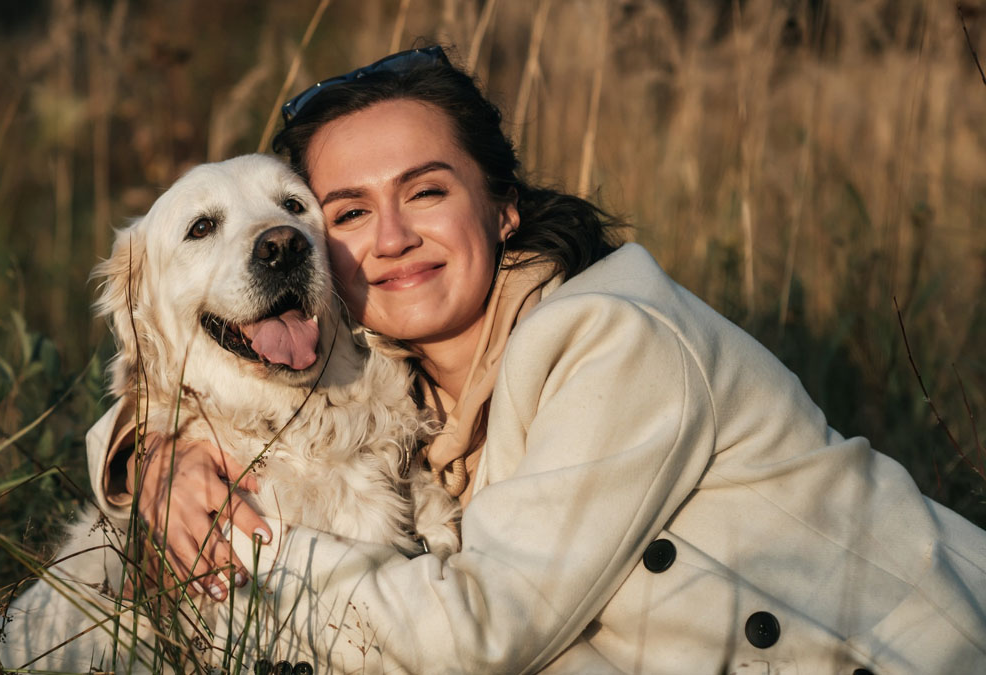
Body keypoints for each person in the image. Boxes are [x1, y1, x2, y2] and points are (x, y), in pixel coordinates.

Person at [86, 46, 986, 673]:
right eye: (350, 211)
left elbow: (485, 634)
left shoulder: (611, 337)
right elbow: (182, 378)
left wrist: (246, 545)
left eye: (426, 192)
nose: (390, 238)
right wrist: (151, 455)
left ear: (503, 208)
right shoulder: (398, 382)